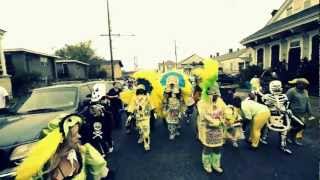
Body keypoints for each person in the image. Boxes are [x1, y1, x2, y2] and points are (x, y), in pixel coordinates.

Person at [15, 114, 113, 180]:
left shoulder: (82, 152)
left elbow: (101, 170)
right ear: (61, 140)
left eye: (78, 132)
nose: (79, 136)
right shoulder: (42, 167)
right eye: (75, 135)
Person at [197, 81, 226, 174]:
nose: (214, 96)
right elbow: (203, 115)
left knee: (218, 147)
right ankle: (207, 164)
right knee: (207, 148)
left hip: (218, 130)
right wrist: (213, 121)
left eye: (215, 93)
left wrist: (225, 118)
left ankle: (216, 164)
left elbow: (225, 111)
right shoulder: (202, 102)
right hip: (207, 129)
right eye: (211, 93)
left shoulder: (220, 101)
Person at [81, 83, 114, 156]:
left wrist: (103, 111)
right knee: (97, 135)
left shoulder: (105, 101)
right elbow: (85, 112)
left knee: (107, 134)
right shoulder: (90, 103)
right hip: (96, 122)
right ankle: (102, 151)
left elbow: (109, 112)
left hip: (105, 121)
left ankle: (109, 144)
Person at [286, 78, 314, 145]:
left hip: (302, 113)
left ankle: (290, 137)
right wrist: (287, 111)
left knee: (298, 126)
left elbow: (307, 102)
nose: (304, 86)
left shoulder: (305, 91)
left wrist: (310, 113)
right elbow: (286, 101)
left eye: (306, 85)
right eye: (303, 84)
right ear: (298, 84)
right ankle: (290, 136)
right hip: (293, 113)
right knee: (301, 125)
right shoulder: (291, 91)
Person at [127, 84, 154, 151]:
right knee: (139, 128)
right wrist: (130, 115)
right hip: (138, 116)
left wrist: (154, 112)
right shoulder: (134, 97)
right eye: (139, 89)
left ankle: (146, 144)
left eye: (142, 89)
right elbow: (131, 106)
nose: (141, 90)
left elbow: (151, 104)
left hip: (146, 116)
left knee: (146, 131)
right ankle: (141, 136)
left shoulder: (147, 96)